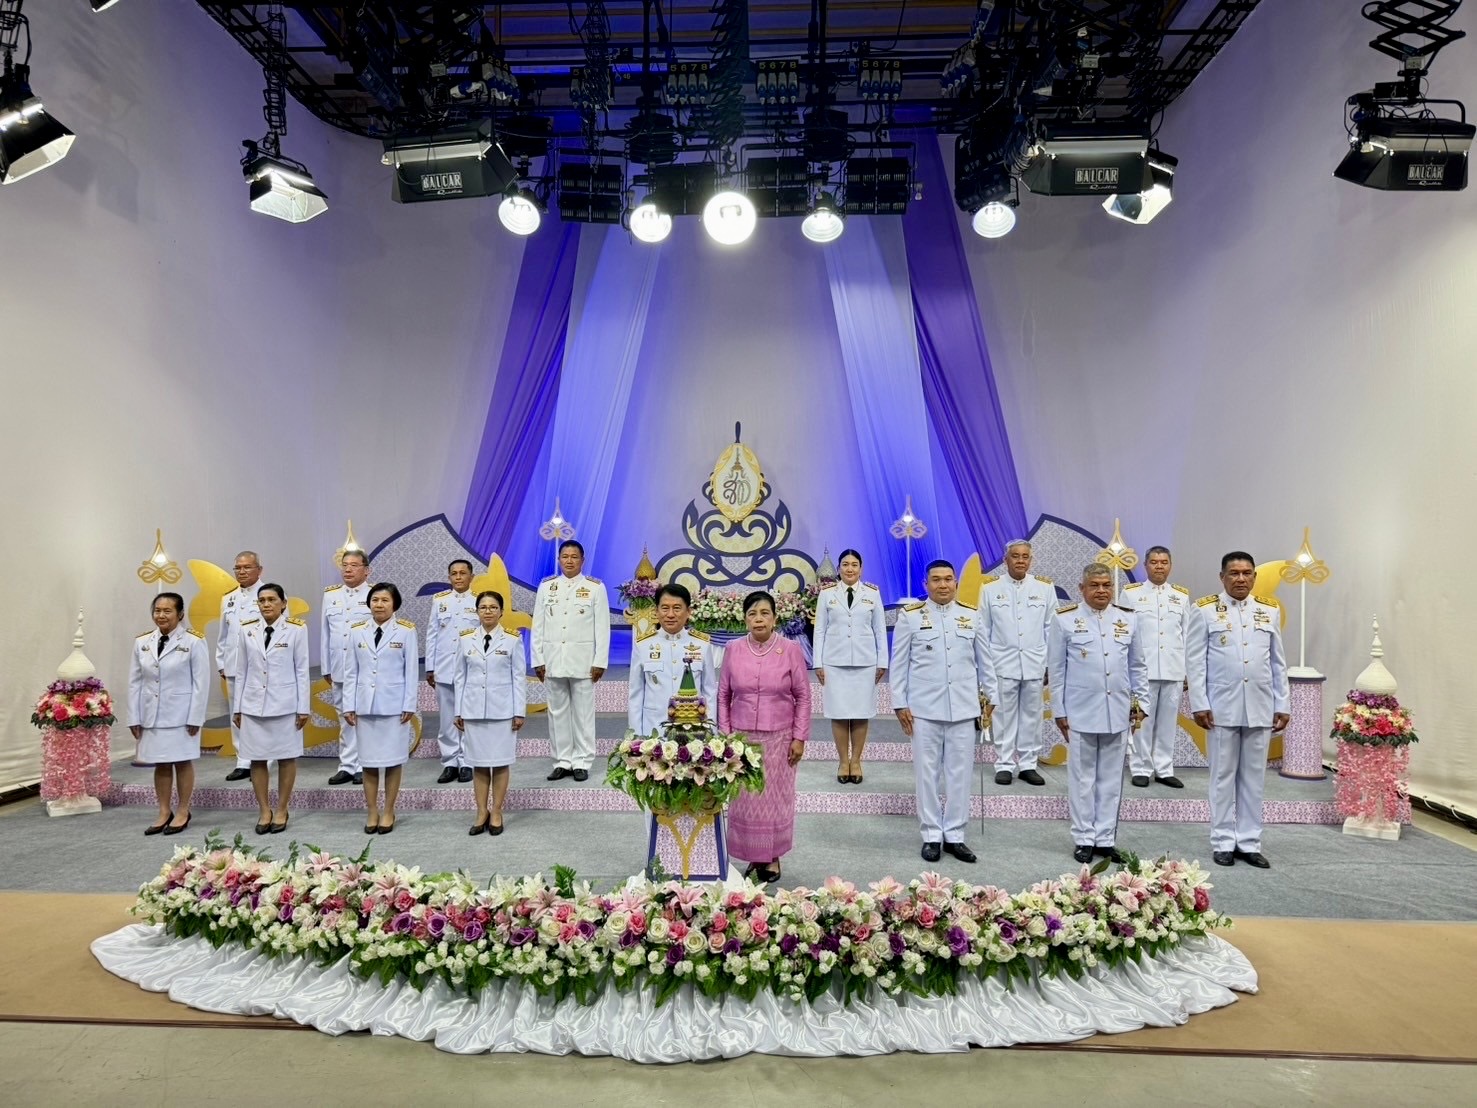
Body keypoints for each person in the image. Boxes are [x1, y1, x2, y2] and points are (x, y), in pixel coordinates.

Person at [1187, 551, 1290, 869]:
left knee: (1254, 778)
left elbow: (1277, 662)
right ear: (1222, 577)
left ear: (1255, 577)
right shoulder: (1204, 610)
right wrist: (1200, 703)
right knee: (1222, 777)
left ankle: (1249, 842)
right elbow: (1195, 661)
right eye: (1234, 573)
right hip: (1221, 707)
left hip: (1259, 705)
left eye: (1247, 573)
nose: (1241, 579)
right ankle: (1222, 841)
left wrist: (1282, 703)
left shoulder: (1268, 611)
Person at [891, 560, 997, 864]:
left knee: (960, 774)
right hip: (924, 709)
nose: (943, 585)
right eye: (936, 580)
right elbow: (899, 664)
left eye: (948, 579)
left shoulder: (971, 616)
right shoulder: (910, 617)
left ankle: (955, 834)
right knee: (927, 774)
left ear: (955, 583)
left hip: (964, 708)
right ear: (925, 585)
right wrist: (899, 703)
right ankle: (931, 835)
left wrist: (991, 697)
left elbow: (985, 661)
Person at [1049, 564, 1149, 864]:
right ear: (1082, 588)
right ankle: (1083, 838)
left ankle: (1105, 839)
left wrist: (1140, 704)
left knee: (1111, 779)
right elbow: (1056, 670)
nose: (1102, 590)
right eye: (1094, 585)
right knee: (1082, 779)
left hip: (1117, 711)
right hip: (1080, 711)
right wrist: (1059, 710)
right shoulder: (1065, 619)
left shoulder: (1128, 619)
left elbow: (1137, 666)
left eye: (1107, 585)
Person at [718, 591, 812, 884]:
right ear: (744, 619)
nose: (758, 619)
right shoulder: (733, 649)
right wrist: (726, 737)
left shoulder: (790, 649)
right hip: (742, 739)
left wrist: (799, 737)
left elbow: (803, 696)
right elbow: (723, 695)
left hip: (780, 738)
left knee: (774, 799)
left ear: (774, 618)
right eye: (752, 614)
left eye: (764, 613)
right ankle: (753, 855)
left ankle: (772, 857)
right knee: (746, 799)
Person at [128, 592, 209, 835]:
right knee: (161, 763)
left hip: (181, 715)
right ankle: (164, 811)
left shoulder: (194, 641)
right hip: (151, 714)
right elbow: (134, 682)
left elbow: (201, 683)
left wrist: (195, 717)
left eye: (167, 611)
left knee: (182, 761)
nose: (161, 615)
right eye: (157, 610)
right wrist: (134, 717)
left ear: (180, 614)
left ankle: (183, 810)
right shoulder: (142, 642)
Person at [232, 583, 309, 835]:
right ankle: (264, 810)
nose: (266, 604)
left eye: (272, 599)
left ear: (283, 603)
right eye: (262, 600)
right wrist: (237, 708)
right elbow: (241, 671)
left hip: (285, 704)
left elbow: (301, 670)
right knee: (257, 758)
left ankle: (282, 808)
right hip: (253, 704)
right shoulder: (247, 630)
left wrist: (303, 707)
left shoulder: (296, 629)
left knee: (287, 757)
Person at [342, 583, 418, 835]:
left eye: (385, 600)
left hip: (394, 706)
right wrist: (349, 704)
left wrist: (409, 703)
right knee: (369, 762)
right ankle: (372, 810)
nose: (379, 605)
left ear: (394, 604)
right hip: (365, 706)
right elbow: (351, 672)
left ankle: (389, 810)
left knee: (393, 761)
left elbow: (411, 671)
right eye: (375, 600)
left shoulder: (406, 631)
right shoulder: (356, 631)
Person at [532, 540, 610, 782]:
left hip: (583, 661)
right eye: (565, 556)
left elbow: (602, 628)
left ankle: (582, 761)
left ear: (582, 560)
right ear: (558, 559)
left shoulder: (595, 587)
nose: (569, 560)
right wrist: (537, 659)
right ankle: (562, 760)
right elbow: (538, 626)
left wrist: (600, 661)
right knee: (557, 713)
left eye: (574, 557)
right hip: (553, 660)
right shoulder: (547, 587)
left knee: (583, 714)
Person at [979, 540, 1054, 787]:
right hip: (1002, 662)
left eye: (1025, 556)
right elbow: (983, 629)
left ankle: (1028, 764)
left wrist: (1049, 663)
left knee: (1032, 716)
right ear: (1005, 560)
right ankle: (1004, 764)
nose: (1020, 560)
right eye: (1015, 556)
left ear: (1030, 560)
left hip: (1035, 662)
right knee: (1003, 716)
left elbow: (1051, 628)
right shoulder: (990, 588)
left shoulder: (1044, 587)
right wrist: (986, 666)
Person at [454, 590, 527, 836]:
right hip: (473, 710)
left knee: (501, 762)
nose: (488, 611)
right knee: (479, 764)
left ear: (501, 612)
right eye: (483, 607)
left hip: (502, 711)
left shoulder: (512, 639)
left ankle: (496, 811)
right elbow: (460, 677)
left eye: (493, 607)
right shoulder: (465, 639)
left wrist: (519, 712)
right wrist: (458, 710)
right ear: (477, 611)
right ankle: (481, 811)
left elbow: (518, 678)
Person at [813, 549, 887, 784]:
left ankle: (856, 761)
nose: (850, 569)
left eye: (854, 564)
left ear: (861, 569)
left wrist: (882, 661)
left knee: (861, 713)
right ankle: (843, 761)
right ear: (838, 568)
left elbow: (879, 630)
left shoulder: (872, 593)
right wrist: (817, 663)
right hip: (834, 662)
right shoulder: (827, 594)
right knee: (838, 713)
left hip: (865, 663)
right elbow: (819, 630)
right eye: (845, 564)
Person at [1120, 545, 1190, 788]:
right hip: (1141, 671)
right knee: (1140, 721)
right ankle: (1140, 768)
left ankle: (1164, 769)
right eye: (1154, 562)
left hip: (1173, 669)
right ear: (1145, 565)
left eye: (1164, 562)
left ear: (1170, 565)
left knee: (1168, 724)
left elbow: (1187, 635)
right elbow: (1123, 632)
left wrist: (1187, 672)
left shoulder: (1181, 596)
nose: (1159, 566)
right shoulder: (1131, 594)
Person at [628, 583, 717, 736]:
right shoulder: (643, 644)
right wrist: (635, 737)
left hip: (693, 731)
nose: (670, 614)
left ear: (688, 612)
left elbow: (709, 692)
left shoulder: (702, 644)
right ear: (656, 611)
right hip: (653, 731)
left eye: (677, 608)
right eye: (665, 608)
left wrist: (711, 734)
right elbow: (636, 694)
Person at [426, 558, 480, 784]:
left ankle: (467, 762)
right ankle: (449, 762)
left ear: (471, 577)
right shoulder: (440, 600)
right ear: (449, 577)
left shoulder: (479, 601)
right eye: (454, 573)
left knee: (468, 716)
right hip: (444, 667)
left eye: (462, 573)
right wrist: (430, 666)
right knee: (447, 718)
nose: (458, 577)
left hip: (470, 669)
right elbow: (432, 634)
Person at [321, 550, 372, 785]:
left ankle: (364, 764)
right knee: (345, 718)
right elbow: (325, 633)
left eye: (354, 565)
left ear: (366, 570)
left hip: (364, 669)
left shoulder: (375, 594)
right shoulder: (331, 595)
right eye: (345, 565)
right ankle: (347, 765)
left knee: (363, 717)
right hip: (339, 666)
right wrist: (326, 667)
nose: (348, 569)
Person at [216, 550, 263, 782]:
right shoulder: (229, 598)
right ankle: (243, 761)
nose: (242, 572)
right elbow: (223, 634)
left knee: (260, 713)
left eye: (247, 567)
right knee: (237, 714)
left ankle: (261, 761)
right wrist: (221, 662)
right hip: (233, 664)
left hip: (259, 666)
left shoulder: (269, 594)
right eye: (238, 568)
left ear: (259, 570)